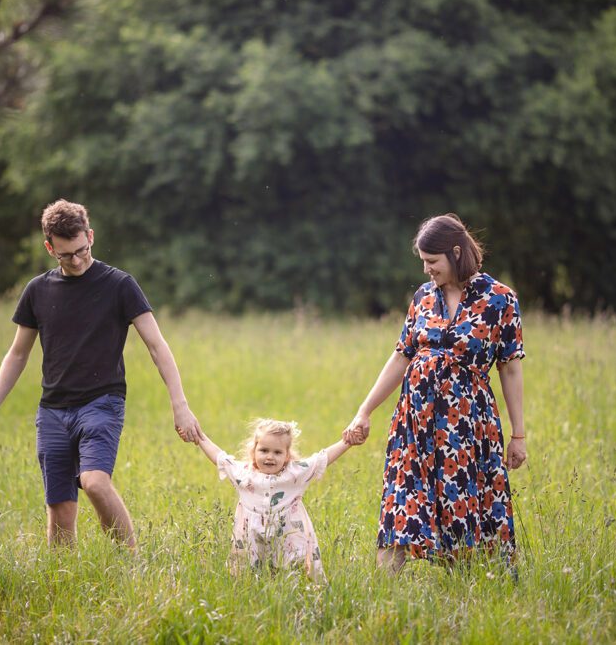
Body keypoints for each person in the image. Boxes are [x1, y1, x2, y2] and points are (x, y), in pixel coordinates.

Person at [0, 199, 201, 548]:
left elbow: (157, 346)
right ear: (50, 247)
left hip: (102, 402)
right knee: (60, 512)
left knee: (94, 481)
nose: (78, 260)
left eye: (82, 250)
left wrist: (180, 404)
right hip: (52, 410)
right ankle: (63, 583)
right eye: (66, 255)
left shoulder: (120, 285)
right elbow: (17, 353)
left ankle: (132, 562)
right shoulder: (38, 290)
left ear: (91, 236)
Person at [343, 214, 526, 573]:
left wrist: (518, 434)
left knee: (461, 505)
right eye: (423, 262)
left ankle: (467, 587)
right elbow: (401, 355)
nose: (427, 270)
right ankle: (381, 592)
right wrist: (364, 410)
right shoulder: (424, 297)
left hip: (466, 425)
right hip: (414, 422)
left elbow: (511, 367)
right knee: (402, 499)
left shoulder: (500, 300)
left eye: (432, 262)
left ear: (455, 253)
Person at [194, 418, 355, 580]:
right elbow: (220, 458)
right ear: (254, 451)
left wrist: (347, 442)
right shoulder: (244, 473)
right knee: (250, 576)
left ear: (287, 456)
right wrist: (199, 437)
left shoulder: (294, 474)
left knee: (290, 576)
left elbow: (322, 459)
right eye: (264, 450)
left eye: (277, 452)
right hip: (252, 539)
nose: (270, 457)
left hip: (287, 539)